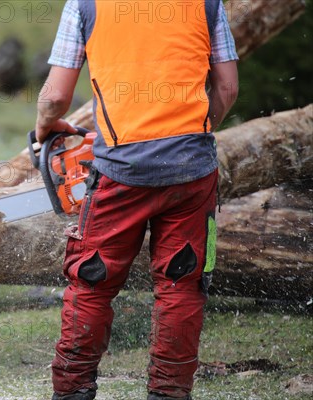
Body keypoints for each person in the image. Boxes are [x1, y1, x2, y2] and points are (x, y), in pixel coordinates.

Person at [35, 1, 239, 399]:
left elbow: (55, 98)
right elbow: (228, 87)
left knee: (91, 278)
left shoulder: (85, 4)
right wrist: (187, 137)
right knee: (184, 281)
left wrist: (45, 126)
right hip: (193, 172)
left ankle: (73, 390)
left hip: (118, 172)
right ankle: (169, 392)